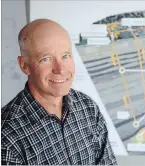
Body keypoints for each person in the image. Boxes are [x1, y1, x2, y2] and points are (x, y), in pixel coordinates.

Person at [1, 19, 117, 165]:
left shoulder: (87, 107)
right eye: (46, 59)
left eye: (65, 56)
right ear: (24, 66)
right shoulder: (6, 137)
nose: (60, 69)